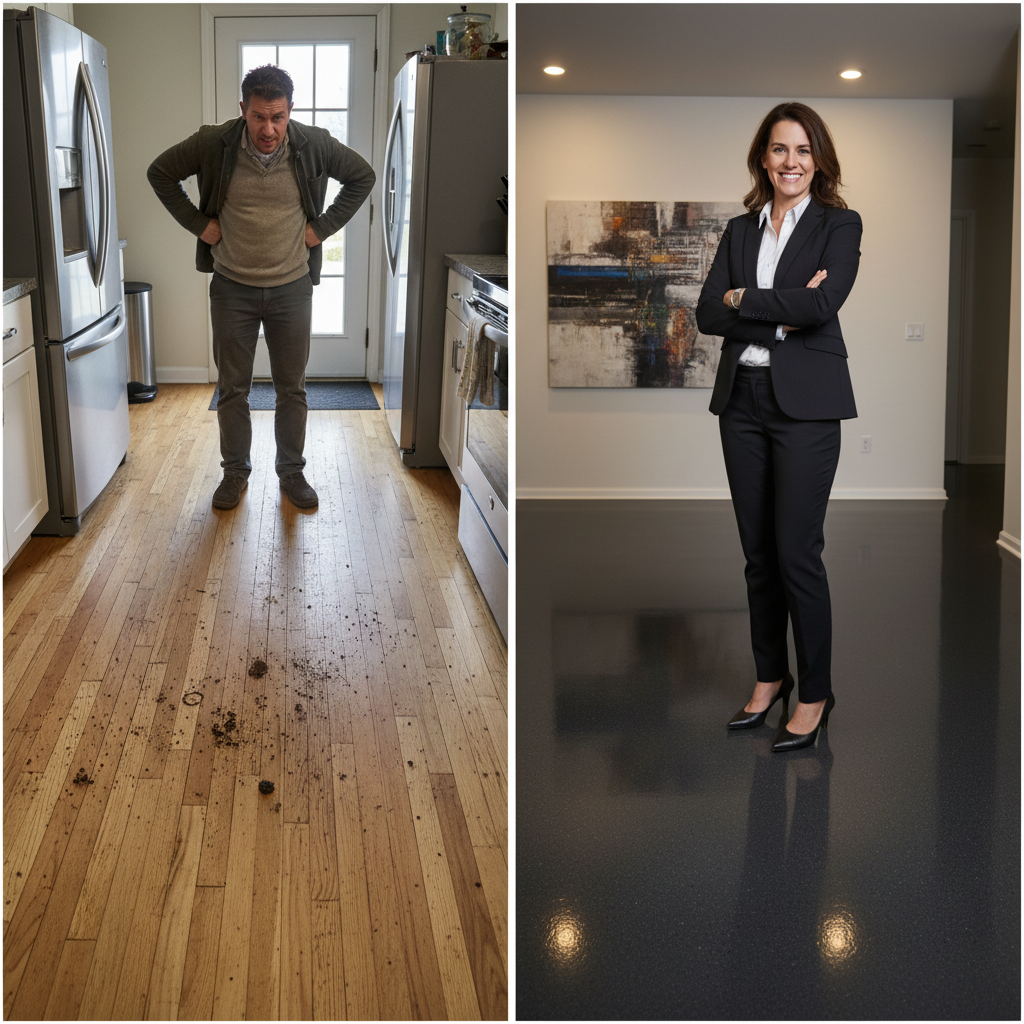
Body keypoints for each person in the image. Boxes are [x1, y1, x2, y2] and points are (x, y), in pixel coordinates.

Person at [695, 102, 862, 752]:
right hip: (742, 401)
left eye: (802, 149)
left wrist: (748, 300)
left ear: (817, 160)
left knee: (797, 554)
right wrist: (778, 313)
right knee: (758, 556)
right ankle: (770, 678)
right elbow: (710, 312)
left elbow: (823, 304)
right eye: (779, 149)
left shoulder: (839, 225)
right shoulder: (739, 231)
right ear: (763, 159)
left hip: (808, 407)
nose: (790, 161)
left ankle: (815, 692)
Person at [147, 65, 376, 510]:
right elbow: (160, 173)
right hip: (232, 287)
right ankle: (234, 473)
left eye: (277, 117)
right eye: (257, 117)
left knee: (292, 388)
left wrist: (322, 229)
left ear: (290, 111)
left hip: (292, 287)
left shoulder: (313, 144)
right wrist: (199, 224)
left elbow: (361, 177)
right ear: (243, 110)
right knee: (233, 389)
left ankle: (292, 473)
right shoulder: (214, 142)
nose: (268, 129)